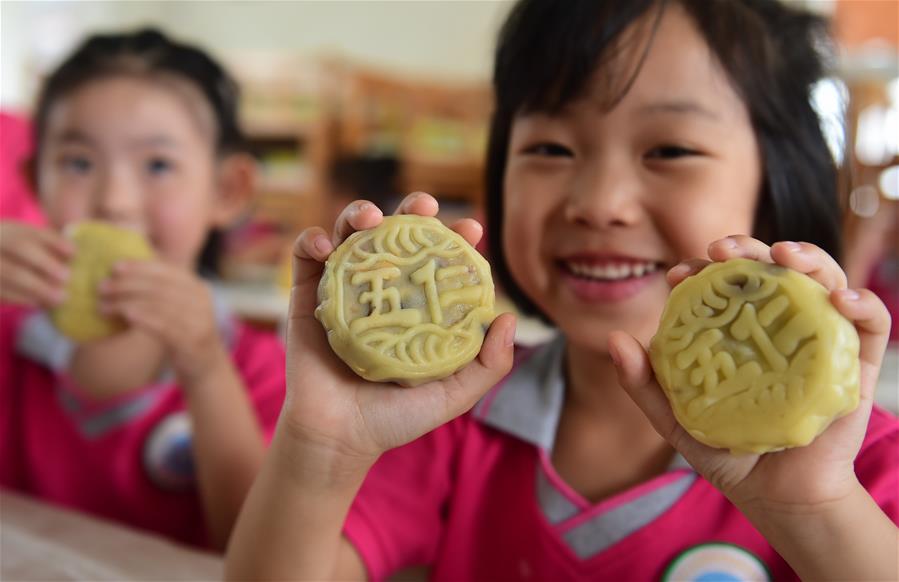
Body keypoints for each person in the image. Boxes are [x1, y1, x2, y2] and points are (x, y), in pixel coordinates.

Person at [226, 0, 898, 579]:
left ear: (778, 189)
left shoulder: (856, 465)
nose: (598, 202)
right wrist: (322, 446)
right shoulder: (442, 424)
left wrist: (814, 512)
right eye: (549, 149)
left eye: (668, 151)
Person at [0, 29, 285, 551]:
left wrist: (204, 366)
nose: (115, 202)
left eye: (158, 165)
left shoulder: (265, 373)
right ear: (35, 182)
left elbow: (257, 550)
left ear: (226, 191)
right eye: (79, 163)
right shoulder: (7, 337)